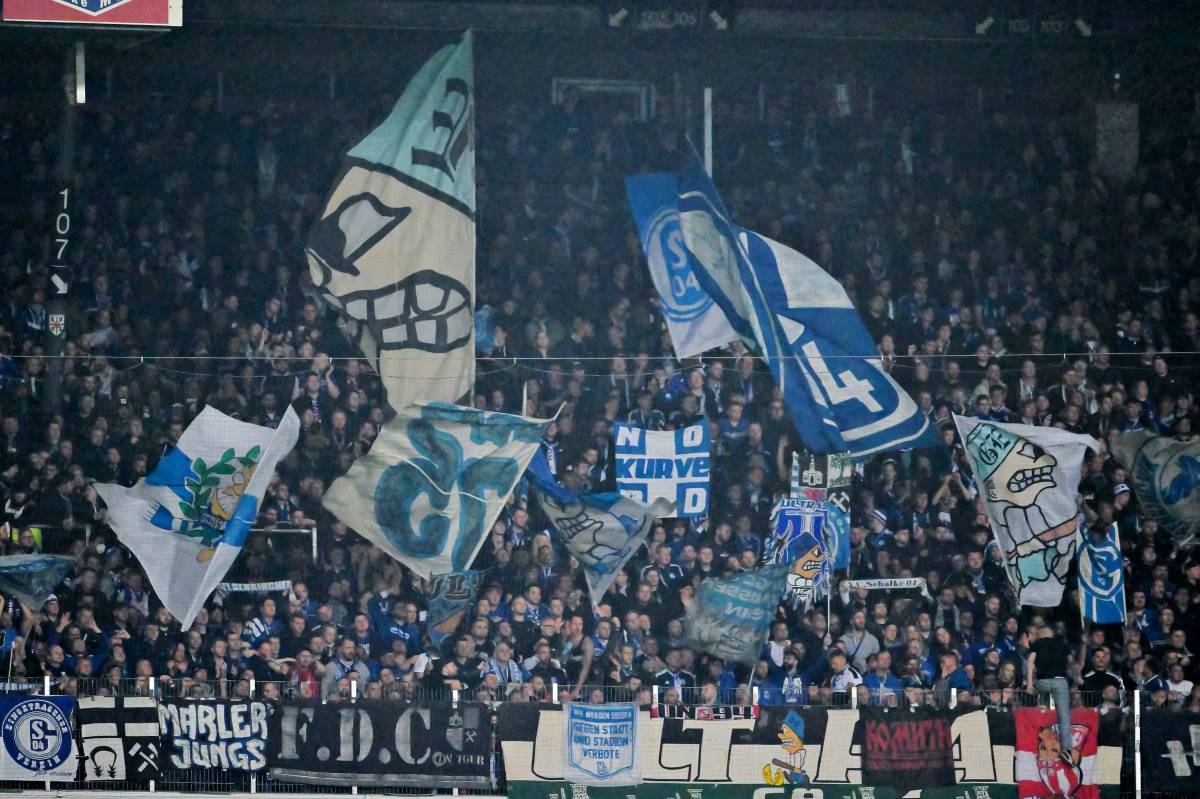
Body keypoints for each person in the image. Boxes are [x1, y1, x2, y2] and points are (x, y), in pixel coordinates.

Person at [1026, 624, 1075, 764]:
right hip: (1060, 681)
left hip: (1042, 682)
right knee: (1064, 717)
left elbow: (1030, 662)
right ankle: (1067, 750)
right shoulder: (1063, 645)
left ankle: (1034, 743)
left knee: (1036, 703)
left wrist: (1029, 684)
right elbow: (1072, 664)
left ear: (1042, 633)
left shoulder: (1037, 644)